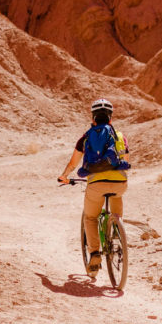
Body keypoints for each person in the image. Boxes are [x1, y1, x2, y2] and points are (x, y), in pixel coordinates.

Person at [57, 98, 130, 277]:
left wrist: (64, 176)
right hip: (120, 184)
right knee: (116, 201)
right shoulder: (120, 136)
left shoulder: (86, 137)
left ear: (93, 118)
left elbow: (74, 162)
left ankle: (95, 254)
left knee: (90, 217)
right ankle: (116, 227)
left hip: (96, 185)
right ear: (110, 118)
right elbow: (126, 162)